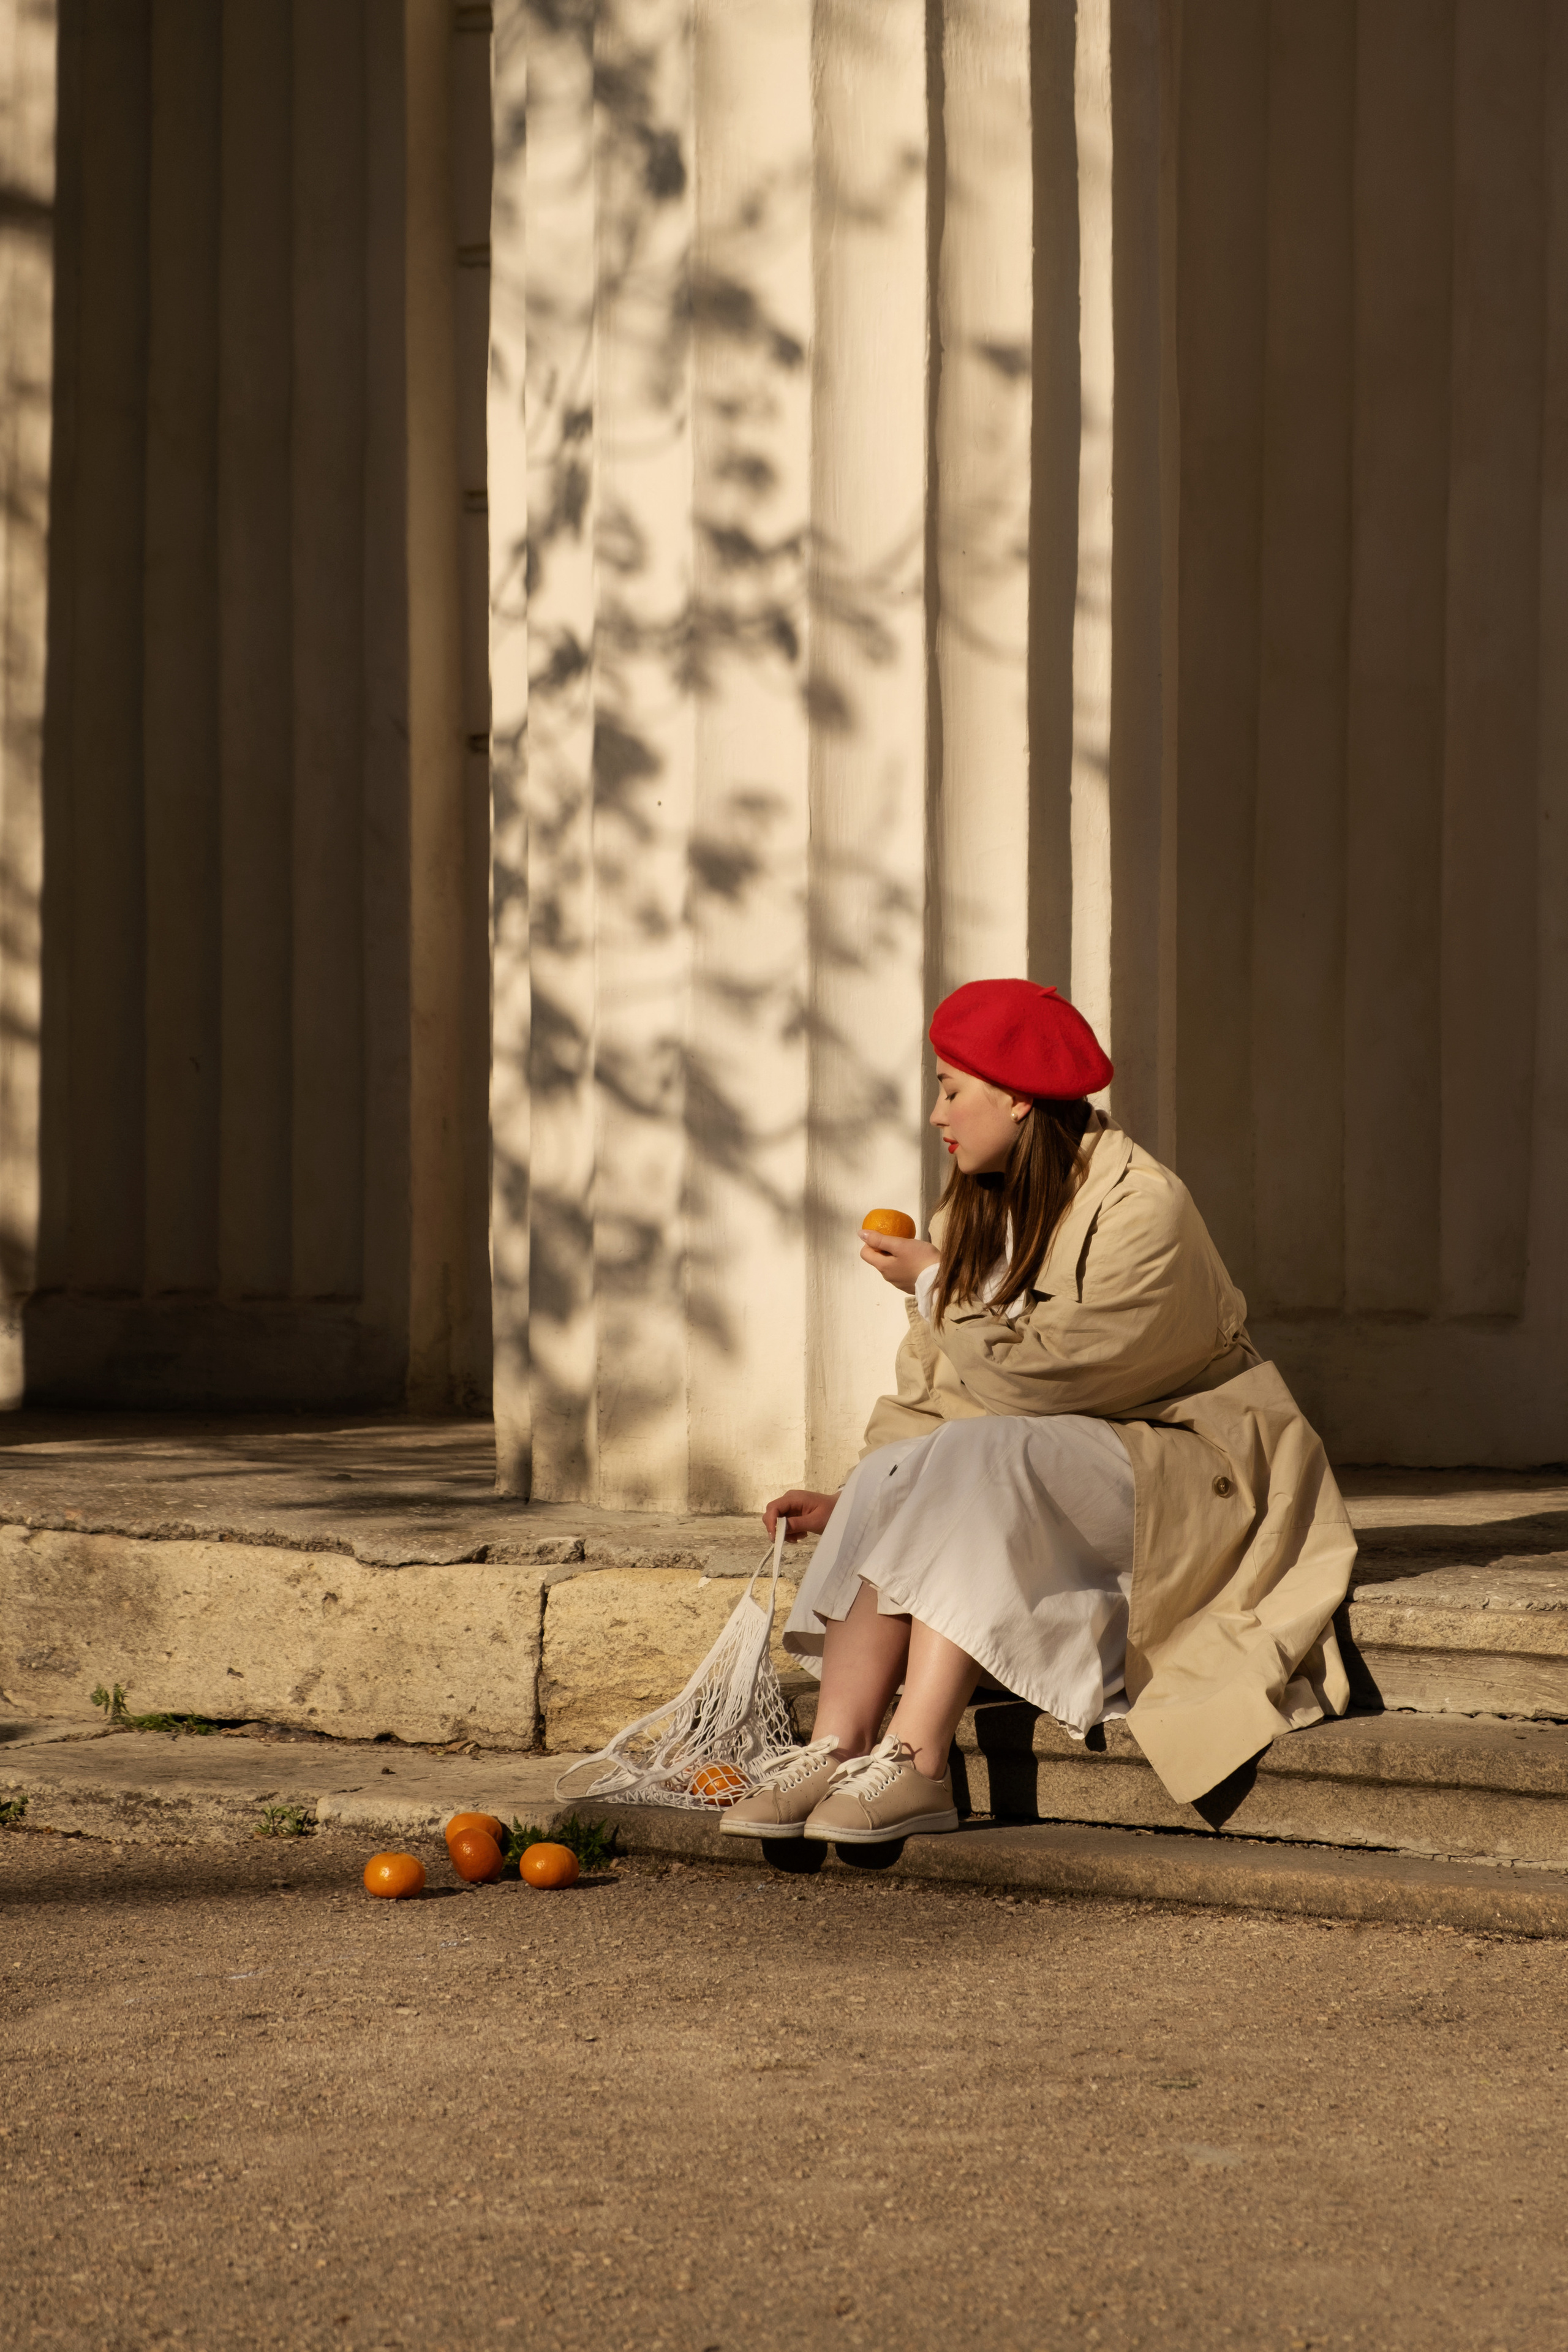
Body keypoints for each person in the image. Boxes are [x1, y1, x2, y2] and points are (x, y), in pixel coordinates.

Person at [720, 978, 1357, 1846]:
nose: (936, 1114)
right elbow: (940, 1389)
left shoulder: (1145, 1207)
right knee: (902, 1465)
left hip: (1188, 1467)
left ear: (1017, 1098)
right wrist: (858, 1494)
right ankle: (838, 1745)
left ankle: (920, 1761)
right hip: (1059, 1464)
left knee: (985, 1456)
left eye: (951, 1088)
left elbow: (1055, 1380)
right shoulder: (975, 1203)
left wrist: (936, 1282)